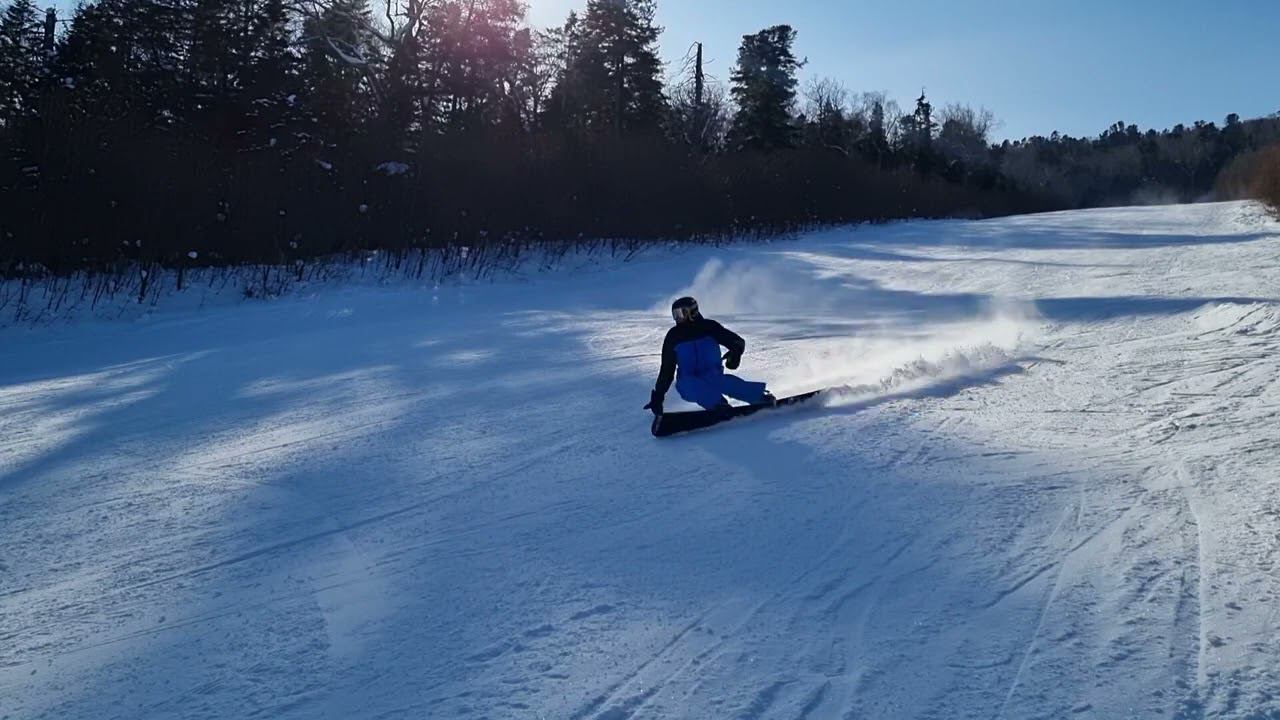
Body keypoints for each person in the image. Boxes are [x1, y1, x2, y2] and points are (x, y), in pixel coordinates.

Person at [644, 296, 774, 416]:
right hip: (688, 380)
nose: (678, 318)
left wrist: (735, 352)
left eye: (681, 313)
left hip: (713, 375)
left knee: (726, 382)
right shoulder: (674, 336)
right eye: (675, 315)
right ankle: (718, 405)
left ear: (692, 312)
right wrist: (658, 396)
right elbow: (667, 369)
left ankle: (760, 398)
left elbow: (736, 341)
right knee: (693, 386)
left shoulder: (709, 327)